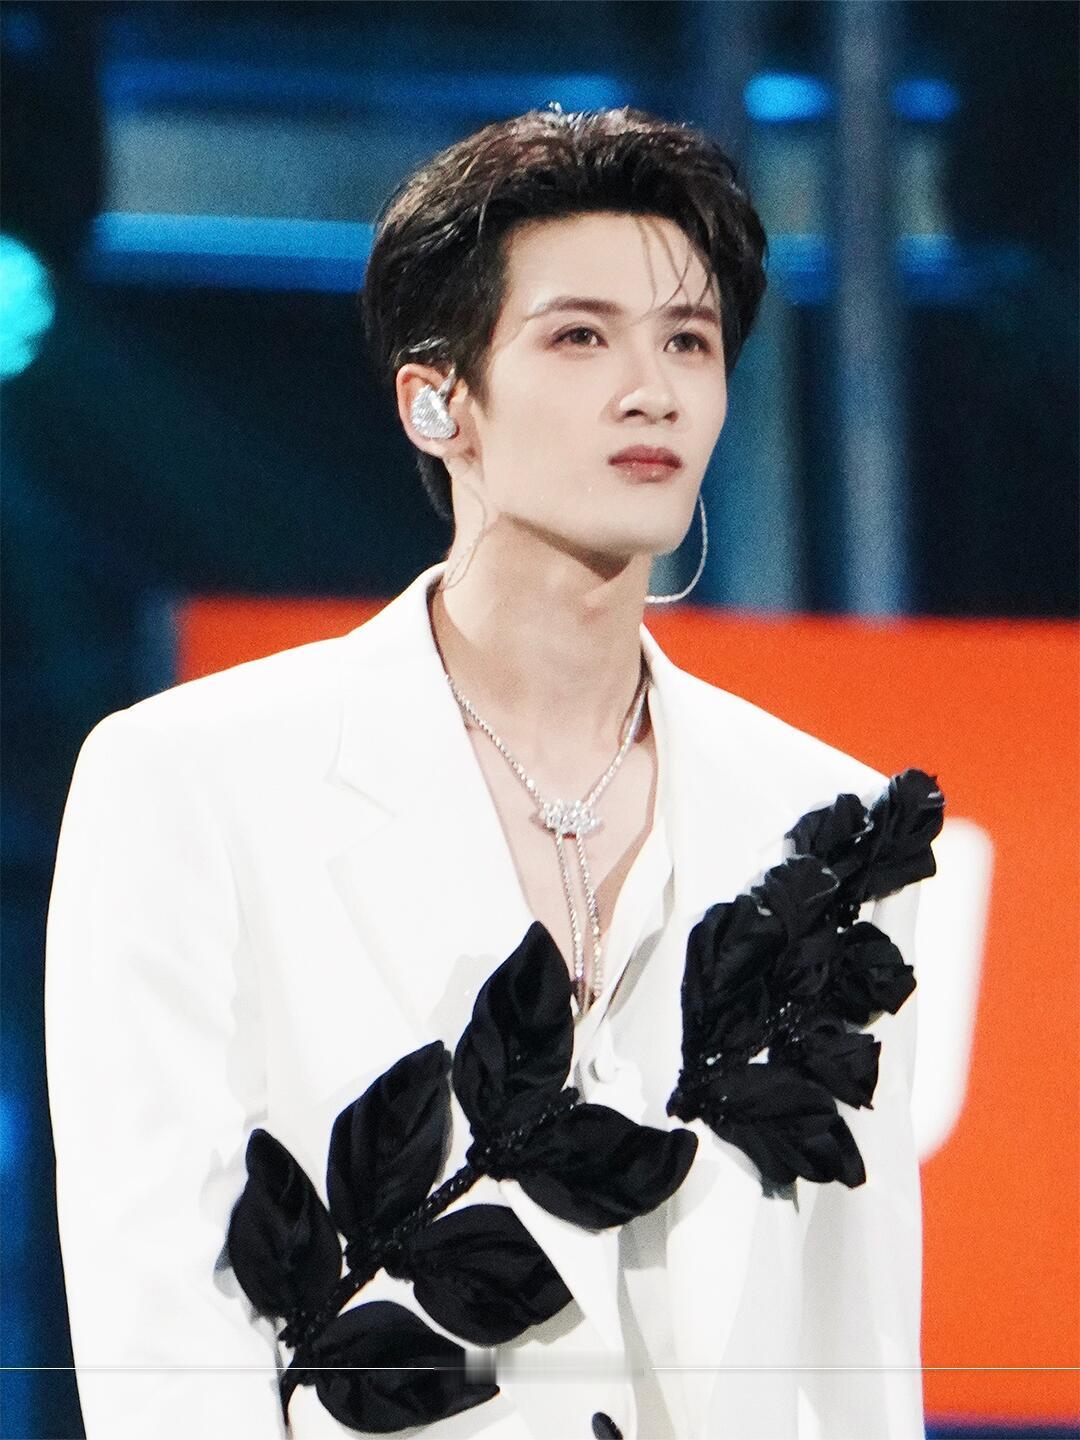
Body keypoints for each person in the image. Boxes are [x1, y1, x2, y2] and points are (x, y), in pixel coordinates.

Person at [45, 106, 931, 1439]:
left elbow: (854, 1340)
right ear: (436, 398)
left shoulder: (831, 831)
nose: (652, 390)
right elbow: (162, 1334)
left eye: (689, 340)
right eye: (580, 337)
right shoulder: (189, 786)